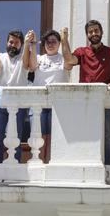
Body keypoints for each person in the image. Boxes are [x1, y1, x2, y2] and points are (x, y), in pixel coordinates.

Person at [61, 20, 110, 165]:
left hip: (104, 101)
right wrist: (64, 39)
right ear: (87, 35)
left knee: (106, 135)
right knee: (83, 133)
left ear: (101, 32)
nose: (93, 33)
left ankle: (108, 167)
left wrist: (109, 87)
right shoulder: (82, 52)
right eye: (90, 32)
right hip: (84, 101)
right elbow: (69, 59)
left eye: (96, 30)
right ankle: (82, 164)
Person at [25, 27, 72, 162]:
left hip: (58, 105)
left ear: (59, 43)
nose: (50, 44)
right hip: (38, 105)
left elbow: (69, 65)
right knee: (38, 137)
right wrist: (33, 44)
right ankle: (39, 162)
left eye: (54, 41)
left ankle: (53, 162)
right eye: (47, 42)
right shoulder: (39, 58)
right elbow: (32, 67)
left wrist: (65, 39)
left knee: (55, 137)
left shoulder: (63, 59)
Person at [0, 30, 31, 163]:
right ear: (6, 42)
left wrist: (27, 44)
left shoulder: (24, 57)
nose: (13, 45)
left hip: (19, 104)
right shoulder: (0, 56)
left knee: (16, 135)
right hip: (0, 103)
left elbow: (26, 64)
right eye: (11, 42)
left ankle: (16, 163)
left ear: (21, 45)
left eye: (17, 43)